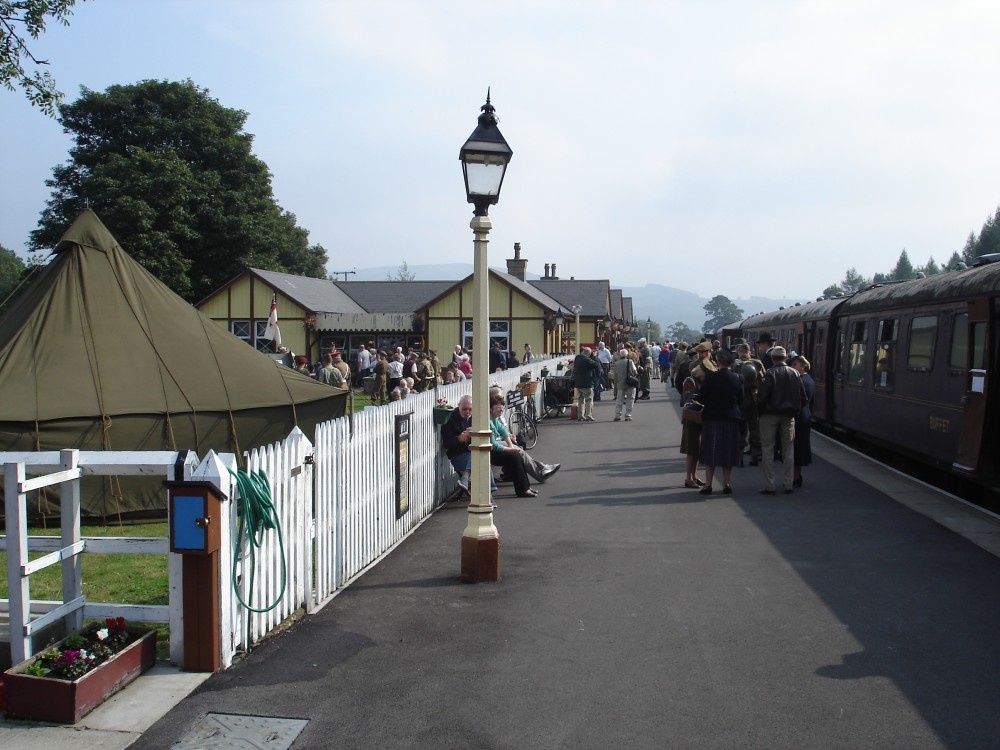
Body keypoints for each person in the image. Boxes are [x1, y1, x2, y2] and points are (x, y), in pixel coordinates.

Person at [756, 346, 807, 495]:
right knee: (788, 449)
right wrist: (794, 410)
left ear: (772, 359)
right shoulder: (795, 374)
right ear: (785, 358)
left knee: (768, 448)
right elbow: (803, 397)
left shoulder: (770, 374)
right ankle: (788, 483)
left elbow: (762, 397)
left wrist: (760, 412)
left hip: (769, 415)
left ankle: (769, 485)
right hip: (789, 415)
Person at [696, 350, 743, 495]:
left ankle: (708, 485)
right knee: (727, 452)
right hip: (731, 418)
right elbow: (741, 400)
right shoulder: (738, 378)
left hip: (713, 418)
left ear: (718, 362)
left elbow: (701, 399)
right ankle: (727, 484)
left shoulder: (710, 378)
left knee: (711, 451)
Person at [441, 395, 496, 498]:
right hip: (457, 455)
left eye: (470, 409)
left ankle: (466, 477)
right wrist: (460, 438)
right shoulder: (450, 420)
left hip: (471, 451)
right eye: (464, 409)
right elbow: (446, 444)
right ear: (459, 406)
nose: (468, 412)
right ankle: (489, 492)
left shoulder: (475, 418)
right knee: (480, 459)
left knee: (480, 458)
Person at [488, 395, 537, 498]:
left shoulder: (495, 419)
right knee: (515, 457)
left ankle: (526, 487)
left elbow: (504, 432)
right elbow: (493, 445)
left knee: (516, 454)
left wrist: (511, 445)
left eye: (502, 407)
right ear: (490, 409)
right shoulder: (488, 421)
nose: (501, 409)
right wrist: (510, 449)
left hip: (497, 449)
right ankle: (523, 490)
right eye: (498, 407)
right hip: (490, 453)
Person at [680, 359, 713, 488]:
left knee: (697, 450)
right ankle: (688, 477)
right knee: (691, 449)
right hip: (692, 418)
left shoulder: (701, 381)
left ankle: (694, 476)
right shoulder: (690, 381)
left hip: (700, 417)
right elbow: (690, 400)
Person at [735, 342, 764, 467]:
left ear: (739, 352)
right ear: (749, 351)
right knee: (755, 428)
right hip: (755, 399)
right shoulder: (757, 364)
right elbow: (764, 379)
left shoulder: (735, 365)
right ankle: (755, 456)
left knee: (741, 429)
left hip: (741, 400)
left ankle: (739, 457)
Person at [789, 353, 815, 488]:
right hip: (805, 415)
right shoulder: (809, 380)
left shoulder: (802, 381)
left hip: (798, 417)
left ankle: (795, 477)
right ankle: (796, 475)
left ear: (803, 366)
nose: (792, 367)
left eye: (795, 365)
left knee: (795, 448)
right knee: (798, 447)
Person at [572, 346, 600, 421]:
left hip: (578, 382)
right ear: (588, 353)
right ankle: (588, 415)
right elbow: (596, 364)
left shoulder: (577, 358)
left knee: (580, 400)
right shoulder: (587, 360)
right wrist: (594, 357)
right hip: (586, 382)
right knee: (589, 399)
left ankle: (580, 415)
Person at [614, 347, 638, 421]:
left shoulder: (617, 363)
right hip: (630, 382)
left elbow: (616, 374)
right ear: (627, 355)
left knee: (619, 400)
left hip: (620, 383)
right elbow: (635, 371)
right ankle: (628, 415)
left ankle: (617, 415)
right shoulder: (630, 362)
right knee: (630, 398)